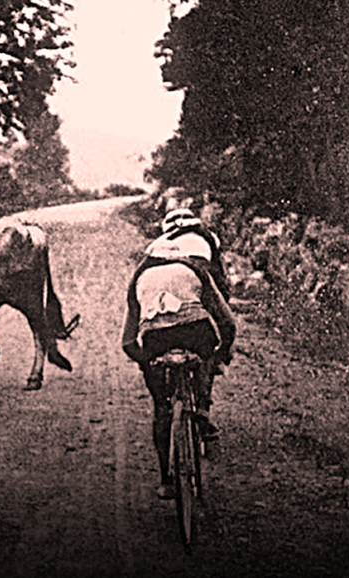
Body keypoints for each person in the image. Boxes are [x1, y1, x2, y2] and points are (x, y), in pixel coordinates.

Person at [122, 210, 237, 500]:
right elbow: (228, 322)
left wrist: (146, 361)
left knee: (161, 408)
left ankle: (165, 481)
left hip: (155, 338)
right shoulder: (200, 257)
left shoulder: (140, 274)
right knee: (205, 350)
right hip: (195, 328)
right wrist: (220, 355)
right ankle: (201, 407)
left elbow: (127, 342)